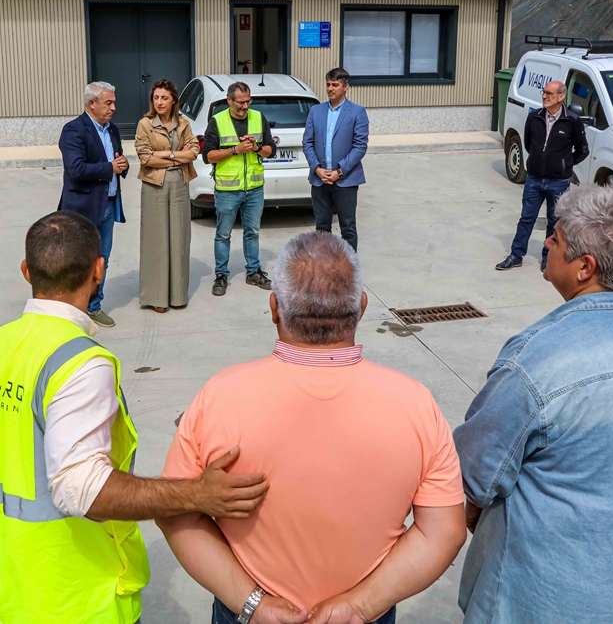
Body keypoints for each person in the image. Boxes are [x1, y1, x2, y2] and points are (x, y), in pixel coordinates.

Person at [0, 211, 270, 624]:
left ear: (27, 271)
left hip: (4, 593)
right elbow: (82, 490)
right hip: (79, 600)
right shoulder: (81, 363)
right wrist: (195, 494)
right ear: (98, 271)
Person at [159, 232, 466, 623]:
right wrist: (359, 606)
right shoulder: (416, 404)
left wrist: (252, 604)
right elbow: (443, 532)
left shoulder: (218, 396)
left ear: (274, 308)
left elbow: (176, 513)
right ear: (361, 307)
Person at [459, 185, 613, 624]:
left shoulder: (538, 357)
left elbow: (474, 474)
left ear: (585, 267)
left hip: (551, 598)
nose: (546, 243)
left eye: (556, 238)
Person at [496, 80, 588, 271]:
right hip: (534, 179)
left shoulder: (572, 120)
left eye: (549, 93)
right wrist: (537, 161)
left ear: (561, 97)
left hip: (559, 182)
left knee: (554, 222)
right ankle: (516, 255)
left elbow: (582, 150)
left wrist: (564, 164)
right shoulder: (534, 117)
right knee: (526, 219)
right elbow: (529, 144)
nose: (544, 96)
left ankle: (549, 257)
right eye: (543, 92)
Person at [59, 81, 128, 328]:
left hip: (108, 205)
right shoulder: (73, 130)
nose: (113, 108)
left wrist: (123, 165)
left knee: (101, 260)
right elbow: (76, 169)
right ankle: (70, 307)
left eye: (114, 102)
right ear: (92, 103)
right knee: (76, 260)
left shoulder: (112, 129)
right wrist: (109, 168)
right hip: (82, 208)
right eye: (108, 103)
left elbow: (116, 159)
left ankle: (93, 305)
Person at [204, 81, 275, 296]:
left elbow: (271, 151)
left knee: (252, 232)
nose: (245, 106)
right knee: (223, 234)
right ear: (229, 100)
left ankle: (253, 271)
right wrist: (235, 149)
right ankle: (221, 275)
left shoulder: (258, 117)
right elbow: (208, 156)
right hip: (227, 189)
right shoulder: (217, 121)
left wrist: (256, 147)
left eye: (248, 101)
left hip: (254, 188)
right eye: (241, 102)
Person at [134, 79, 200, 312]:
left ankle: (177, 296)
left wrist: (167, 154)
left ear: (173, 100)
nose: (159, 102)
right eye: (156, 98)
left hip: (180, 184)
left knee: (179, 239)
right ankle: (157, 299)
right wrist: (177, 156)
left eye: (164, 98)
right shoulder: (145, 124)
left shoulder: (183, 123)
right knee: (156, 241)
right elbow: (146, 158)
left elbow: (193, 152)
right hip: (155, 185)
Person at [303, 67, 369, 252]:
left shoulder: (357, 112)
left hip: (345, 180)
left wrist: (339, 172)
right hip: (320, 179)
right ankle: (324, 265)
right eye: (328, 84)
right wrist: (317, 168)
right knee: (322, 228)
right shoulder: (316, 111)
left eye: (335, 85)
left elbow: (360, 146)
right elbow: (307, 142)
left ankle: (348, 266)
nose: (330, 89)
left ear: (345, 87)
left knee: (348, 227)